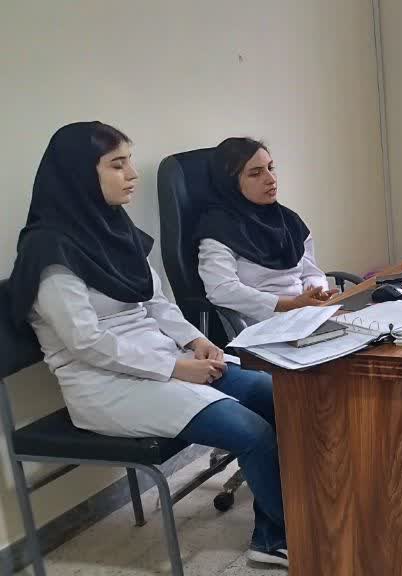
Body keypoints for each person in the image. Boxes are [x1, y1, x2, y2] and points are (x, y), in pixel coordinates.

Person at [9, 123, 289, 567]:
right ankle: (286, 537)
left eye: (129, 161)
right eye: (117, 165)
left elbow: (155, 302)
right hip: (104, 385)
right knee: (250, 432)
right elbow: (86, 342)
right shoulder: (48, 252)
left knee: (272, 394)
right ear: (80, 173)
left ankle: (272, 531)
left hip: (161, 359)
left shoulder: (113, 227)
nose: (132, 174)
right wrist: (177, 368)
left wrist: (196, 340)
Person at [195, 137, 333, 326]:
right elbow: (221, 289)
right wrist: (289, 304)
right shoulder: (218, 229)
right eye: (255, 173)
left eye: (270, 168)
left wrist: (317, 292)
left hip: (306, 317)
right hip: (263, 326)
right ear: (230, 182)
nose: (271, 179)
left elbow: (311, 272)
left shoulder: (289, 221)